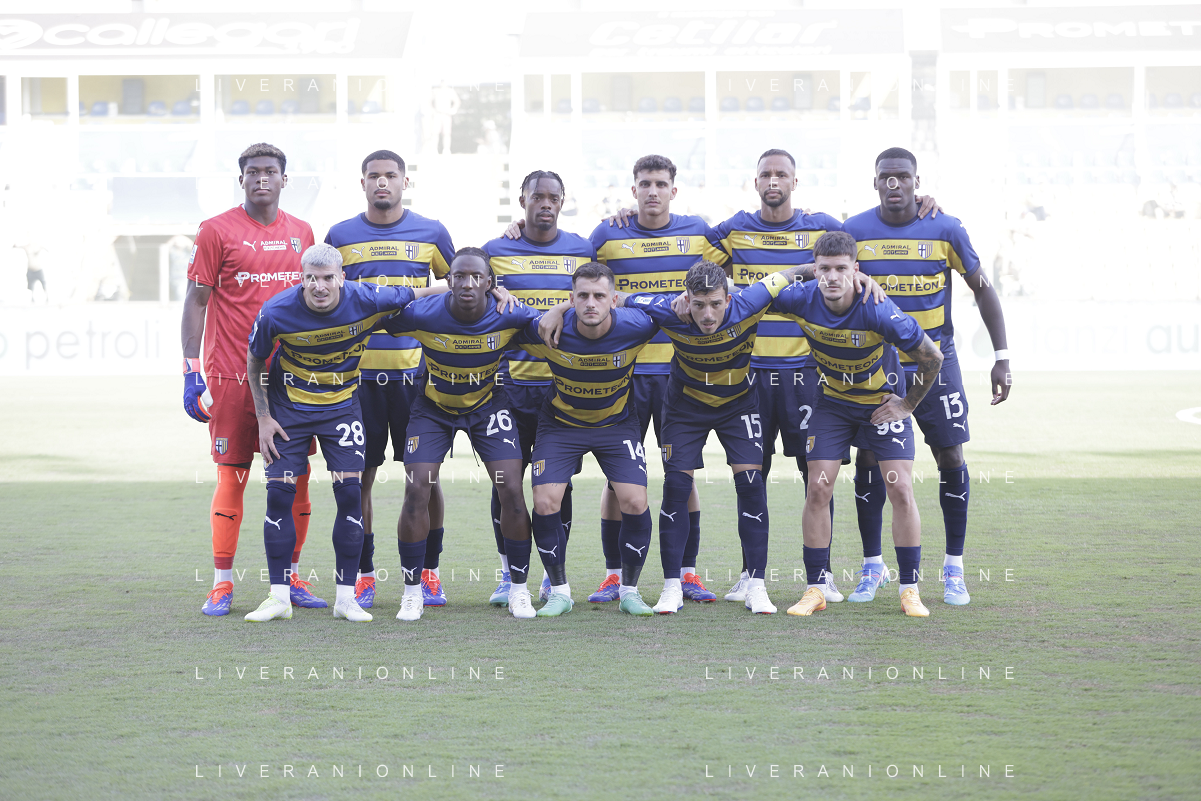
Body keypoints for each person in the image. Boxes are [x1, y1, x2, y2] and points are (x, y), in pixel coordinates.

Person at [542, 259, 882, 614]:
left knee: (751, 485)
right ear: (686, 299)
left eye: (716, 304)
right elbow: (610, 299)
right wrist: (561, 308)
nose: (707, 314)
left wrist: (856, 277)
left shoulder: (750, 301)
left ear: (728, 298)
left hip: (737, 406)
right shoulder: (667, 309)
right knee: (676, 486)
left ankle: (756, 586)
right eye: (699, 304)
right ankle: (672, 587)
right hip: (685, 409)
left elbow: (800, 272)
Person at [242, 244, 448, 622]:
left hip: (341, 408)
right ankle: (278, 597)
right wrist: (263, 417)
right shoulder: (276, 311)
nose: (319, 287)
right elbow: (255, 360)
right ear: (301, 279)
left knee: (350, 494)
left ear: (342, 277)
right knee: (278, 495)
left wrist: (483, 289)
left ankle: (345, 598)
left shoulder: (367, 298)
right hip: (290, 411)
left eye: (327, 278)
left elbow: (422, 292)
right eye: (311, 279)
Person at [842, 147, 1011, 606]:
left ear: (917, 182)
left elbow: (983, 289)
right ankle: (872, 567)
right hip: (879, 365)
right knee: (870, 460)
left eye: (902, 176)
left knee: (950, 456)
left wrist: (1001, 356)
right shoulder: (854, 231)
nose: (893, 183)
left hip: (937, 362)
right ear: (874, 182)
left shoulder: (946, 228)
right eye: (886, 177)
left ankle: (954, 569)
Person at [771, 231, 944, 618]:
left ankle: (909, 590)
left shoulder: (878, 309)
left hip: (880, 404)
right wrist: (806, 271)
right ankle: (816, 588)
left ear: (856, 270)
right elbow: (754, 293)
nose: (832, 277)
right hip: (832, 405)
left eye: (841, 269)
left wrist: (906, 405)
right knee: (818, 487)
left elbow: (932, 357)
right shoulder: (801, 298)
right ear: (814, 270)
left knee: (900, 490)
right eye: (824, 269)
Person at [181, 142, 322, 617]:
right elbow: (196, 302)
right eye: (254, 172)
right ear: (241, 179)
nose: (262, 178)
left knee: (297, 478)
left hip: (292, 376)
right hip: (232, 375)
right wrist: (191, 371)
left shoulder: (302, 232)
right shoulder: (215, 230)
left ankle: (292, 578)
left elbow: (315, 300)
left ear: (284, 180)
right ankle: (222, 584)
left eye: (271, 171)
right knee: (233, 475)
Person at [324, 149, 456, 610]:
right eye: (374, 176)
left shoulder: (432, 233)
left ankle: (429, 573)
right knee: (358, 480)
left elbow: (460, 285)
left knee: (425, 479)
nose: (383, 182)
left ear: (405, 182)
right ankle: (364, 575)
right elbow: (326, 294)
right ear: (362, 183)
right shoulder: (340, 236)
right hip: (357, 380)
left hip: (416, 380)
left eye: (391, 175)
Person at [381, 248, 536, 621]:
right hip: (433, 408)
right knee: (417, 489)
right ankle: (412, 592)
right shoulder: (423, 314)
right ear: (448, 280)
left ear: (490, 283)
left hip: (488, 406)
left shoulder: (509, 313)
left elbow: (549, 325)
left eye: (477, 277)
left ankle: (519, 589)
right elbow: (380, 315)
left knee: (512, 489)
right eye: (460, 276)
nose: (468, 284)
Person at [482, 171, 597, 606]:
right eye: (537, 197)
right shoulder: (497, 250)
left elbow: (597, 292)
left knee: (557, 486)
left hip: (562, 387)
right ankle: (507, 574)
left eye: (553, 197)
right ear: (522, 200)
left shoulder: (582, 248)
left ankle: (552, 576)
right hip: (509, 386)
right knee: (506, 484)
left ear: (563, 202)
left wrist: (561, 307)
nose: (545, 204)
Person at [518, 262, 658, 617]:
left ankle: (629, 591)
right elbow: (501, 320)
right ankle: (559, 593)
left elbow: (675, 309)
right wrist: (550, 311)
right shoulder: (548, 328)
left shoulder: (638, 325)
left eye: (599, 295)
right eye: (582, 296)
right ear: (572, 299)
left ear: (613, 299)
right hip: (561, 425)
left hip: (617, 424)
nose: (590, 303)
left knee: (635, 501)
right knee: (545, 501)